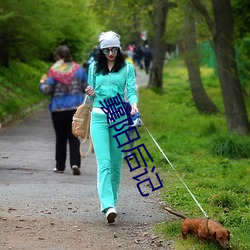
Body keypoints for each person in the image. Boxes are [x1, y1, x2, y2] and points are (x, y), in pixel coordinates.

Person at [85, 31, 138, 223]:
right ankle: (107, 205)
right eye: (106, 50)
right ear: (101, 50)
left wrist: (133, 104)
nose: (110, 53)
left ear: (119, 48)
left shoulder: (127, 68)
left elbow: (130, 90)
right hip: (98, 116)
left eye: (114, 49)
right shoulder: (93, 68)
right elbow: (91, 97)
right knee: (104, 162)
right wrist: (90, 92)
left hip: (118, 116)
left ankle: (112, 201)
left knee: (116, 163)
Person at [39, 45, 88, 175]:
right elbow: (86, 87)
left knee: (60, 138)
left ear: (58, 57)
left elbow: (47, 90)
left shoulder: (54, 71)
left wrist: (42, 83)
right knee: (74, 137)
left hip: (58, 109)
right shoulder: (79, 70)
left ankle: (60, 166)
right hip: (75, 109)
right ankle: (75, 163)